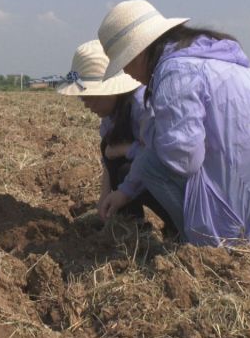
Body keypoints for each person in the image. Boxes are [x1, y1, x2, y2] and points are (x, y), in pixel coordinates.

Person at [96, 0, 250, 246]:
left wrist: (145, 142)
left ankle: (208, 246)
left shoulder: (175, 73)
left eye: (124, 63)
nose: (126, 73)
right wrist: (125, 191)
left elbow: (181, 159)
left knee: (151, 165)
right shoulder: (209, 55)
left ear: (139, 52)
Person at [56, 40, 176, 234]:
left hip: (173, 182)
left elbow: (159, 156)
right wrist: (103, 197)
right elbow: (108, 158)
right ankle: (129, 224)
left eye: (90, 96)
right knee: (110, 151)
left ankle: (176, 226)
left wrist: (125, 152)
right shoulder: (111, 115)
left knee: (126, 169)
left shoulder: (143, 107)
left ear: (111, 90)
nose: (86, 103)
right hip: (144, 173)